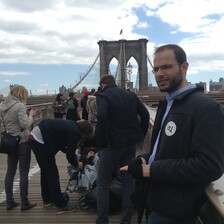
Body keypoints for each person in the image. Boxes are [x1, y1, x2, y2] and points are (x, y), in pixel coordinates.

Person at [120, 44, 224, 224]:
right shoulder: (168, 104)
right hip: (154, 201)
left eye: (166, 67)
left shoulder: (207, 108)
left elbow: (209, 165)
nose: (159, 73)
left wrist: (151, 170)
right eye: (156, 69)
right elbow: (170, 149)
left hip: (175, 213)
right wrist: (146, 158)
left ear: (184, 67)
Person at [95, 74, 150, 224]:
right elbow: (145, 115)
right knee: (128, 182)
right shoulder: (130, 95)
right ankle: (125, 221)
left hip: (111, 146)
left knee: (103, 183)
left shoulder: (103, 95)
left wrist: (101, 141)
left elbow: (102, 116)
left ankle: (102, 221)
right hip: (129, 145)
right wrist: (140, 134)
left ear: (103, 85)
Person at [28, 119, 93, 214]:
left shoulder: (72, 125)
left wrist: (74, 157)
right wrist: (77, 165)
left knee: (46, 170)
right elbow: (69, 154)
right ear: (84, 132)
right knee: (52, 173)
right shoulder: (75, 132)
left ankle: (48, 199)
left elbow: (63, 145)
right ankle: (61, 205)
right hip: (41, 140)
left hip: (35, 137)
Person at [0, 85, 37, 211]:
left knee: (10, 171)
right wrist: (31, 115)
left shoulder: (2, 106)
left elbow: (7, 123)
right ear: (21, 94)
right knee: (23, 171)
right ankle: (24, 202)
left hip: (10, 142)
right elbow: (25, 124)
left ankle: (10, 201)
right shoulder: (20, 106)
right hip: (22, 142)